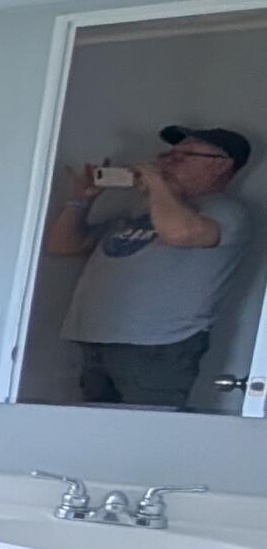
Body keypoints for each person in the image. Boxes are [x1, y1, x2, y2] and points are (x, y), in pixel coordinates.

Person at [48, 125, 254, 407]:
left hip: (158, 346)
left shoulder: (226, 210)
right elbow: (64, 245)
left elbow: (180, 234)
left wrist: (157, 183)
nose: (168, 161)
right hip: (98, 339)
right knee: (95, 435)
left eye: (184, 155)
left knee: (146, 436)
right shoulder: (140, 210)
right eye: (168, 154)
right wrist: (80, 199)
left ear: (220, 166)